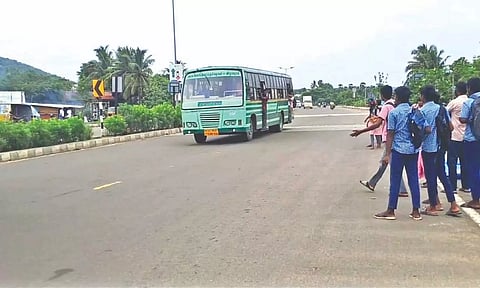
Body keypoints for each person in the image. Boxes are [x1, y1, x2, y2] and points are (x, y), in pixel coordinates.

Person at [374, 86, 423, 220]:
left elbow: (390, 134)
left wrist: (387, 154)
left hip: (398, 150)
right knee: (413, 180)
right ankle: (416, 210)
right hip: (413, 149)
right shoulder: (415, 111)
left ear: (398, 97)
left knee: (395, 180)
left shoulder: (394, 113)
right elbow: (425, 128)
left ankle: (391, 210)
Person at [350, 85, 408, 197]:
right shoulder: (395, 104)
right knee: (385, 163)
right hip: (398, 138)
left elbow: (377, 124)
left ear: (381, 95)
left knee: (390, 163)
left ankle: (402, 189)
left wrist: (361, 131)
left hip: (390, 138)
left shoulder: (386, 107)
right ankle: (372, 183)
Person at [459, 77, 480, 209]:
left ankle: (475, 200)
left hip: (471, 139)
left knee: (473, 169)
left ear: (469, 88)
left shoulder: (469, 102)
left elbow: (463, 119)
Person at [446, 81, 470, 193]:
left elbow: (444, 113)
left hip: (454, 135)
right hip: (467, 136)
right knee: (465, 162)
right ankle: (466, 185)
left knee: (452, 162)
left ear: (457, 90)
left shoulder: (454, 102)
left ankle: (453, 186)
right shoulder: (470, 102)